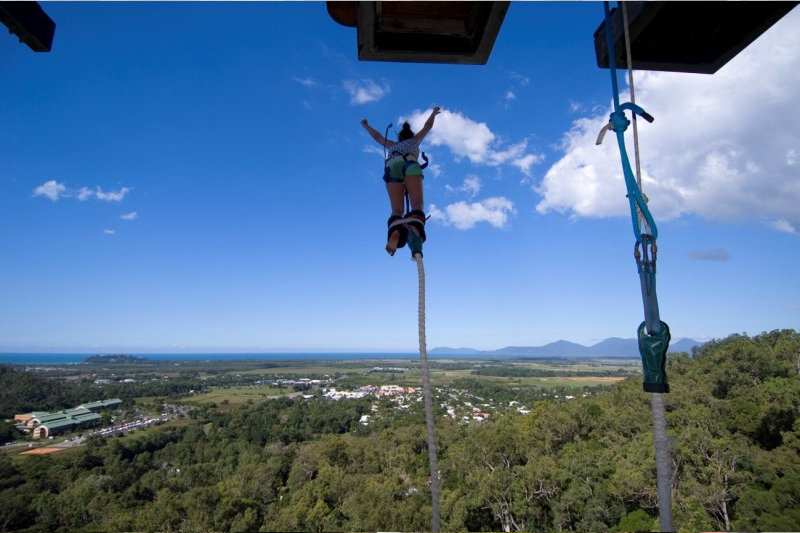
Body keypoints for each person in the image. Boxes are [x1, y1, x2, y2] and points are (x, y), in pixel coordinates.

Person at [361, 106, 441, 255]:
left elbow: (377, 137)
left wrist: (366, 125)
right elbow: (427, 126)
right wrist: (433, 113)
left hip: (392, 165)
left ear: (400, 137)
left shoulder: (392, 145)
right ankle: (415, 226)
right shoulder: (415, 140)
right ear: (410, 135)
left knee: (397, 210)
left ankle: (395, 231)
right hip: (410, 163)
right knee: (417, 204)